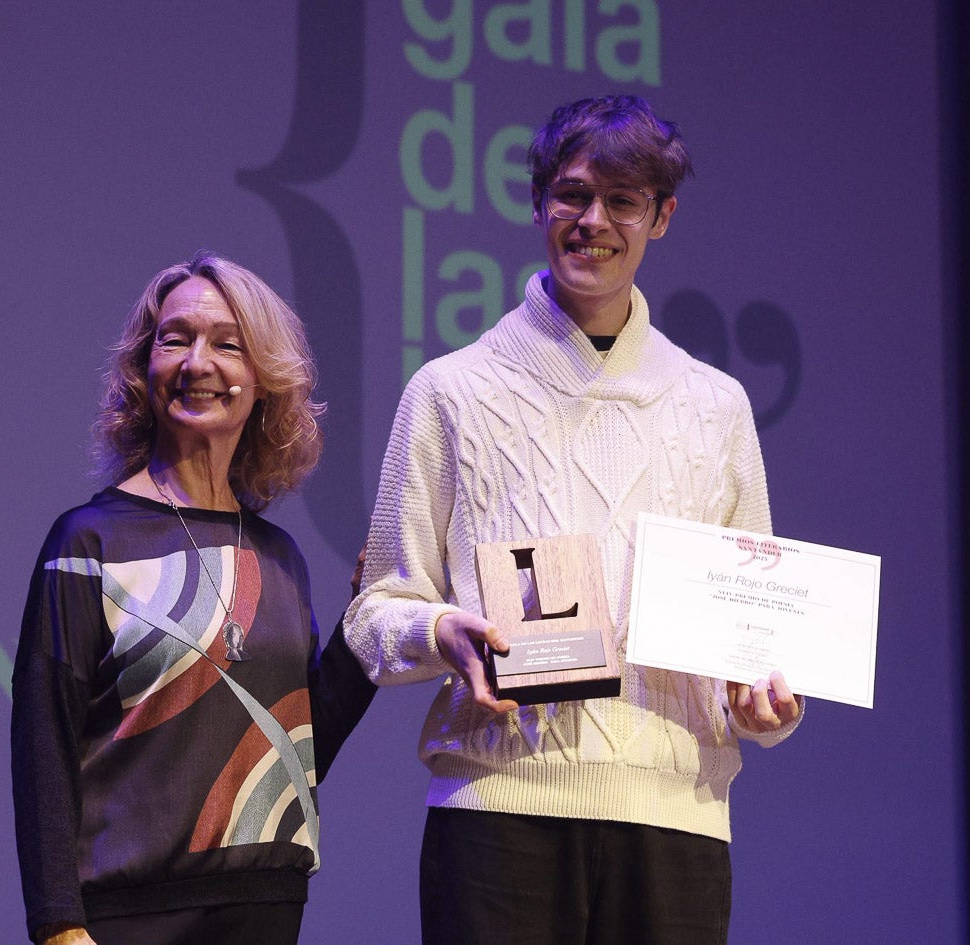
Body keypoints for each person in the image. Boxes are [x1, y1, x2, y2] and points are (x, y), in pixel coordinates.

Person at [344, 95, 803, 945]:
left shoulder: (717, 406)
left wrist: (760, 701)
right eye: (572, 194)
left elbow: (753, 634)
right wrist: (443, 627)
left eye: (622, 201)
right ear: (538, 202)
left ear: (660, 218)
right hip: (497, 814)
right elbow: (373, 613)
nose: (592, 221)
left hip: (677, 820)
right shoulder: (449, 392)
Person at [11, 250, 373, 945]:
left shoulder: (278, 557)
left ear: (263, 380)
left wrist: (366, 625)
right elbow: (42, 743)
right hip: (126, 913)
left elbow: (290, 749)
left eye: (226, 343)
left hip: (264, 904)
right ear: (144, 370)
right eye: (174, 339)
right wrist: (57, 923)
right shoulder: (88, 543)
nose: (197, 361)